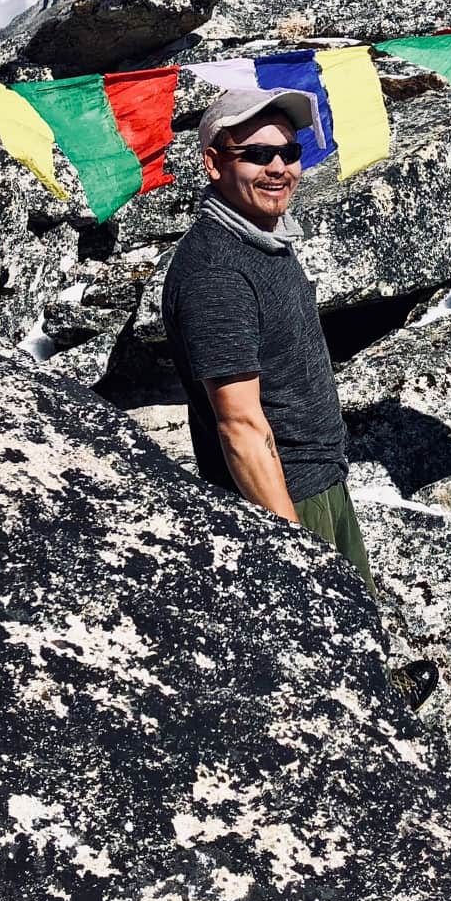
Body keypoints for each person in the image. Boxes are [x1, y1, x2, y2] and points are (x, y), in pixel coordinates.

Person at [161, 87, 375, 592]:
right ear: (214, 164)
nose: (278, 166)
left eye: (290, 152)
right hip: (289, 497)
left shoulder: (261, 238)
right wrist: (294, 548)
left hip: (318, 480)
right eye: (257, 155)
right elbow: (240, 428)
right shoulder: (218, 273)